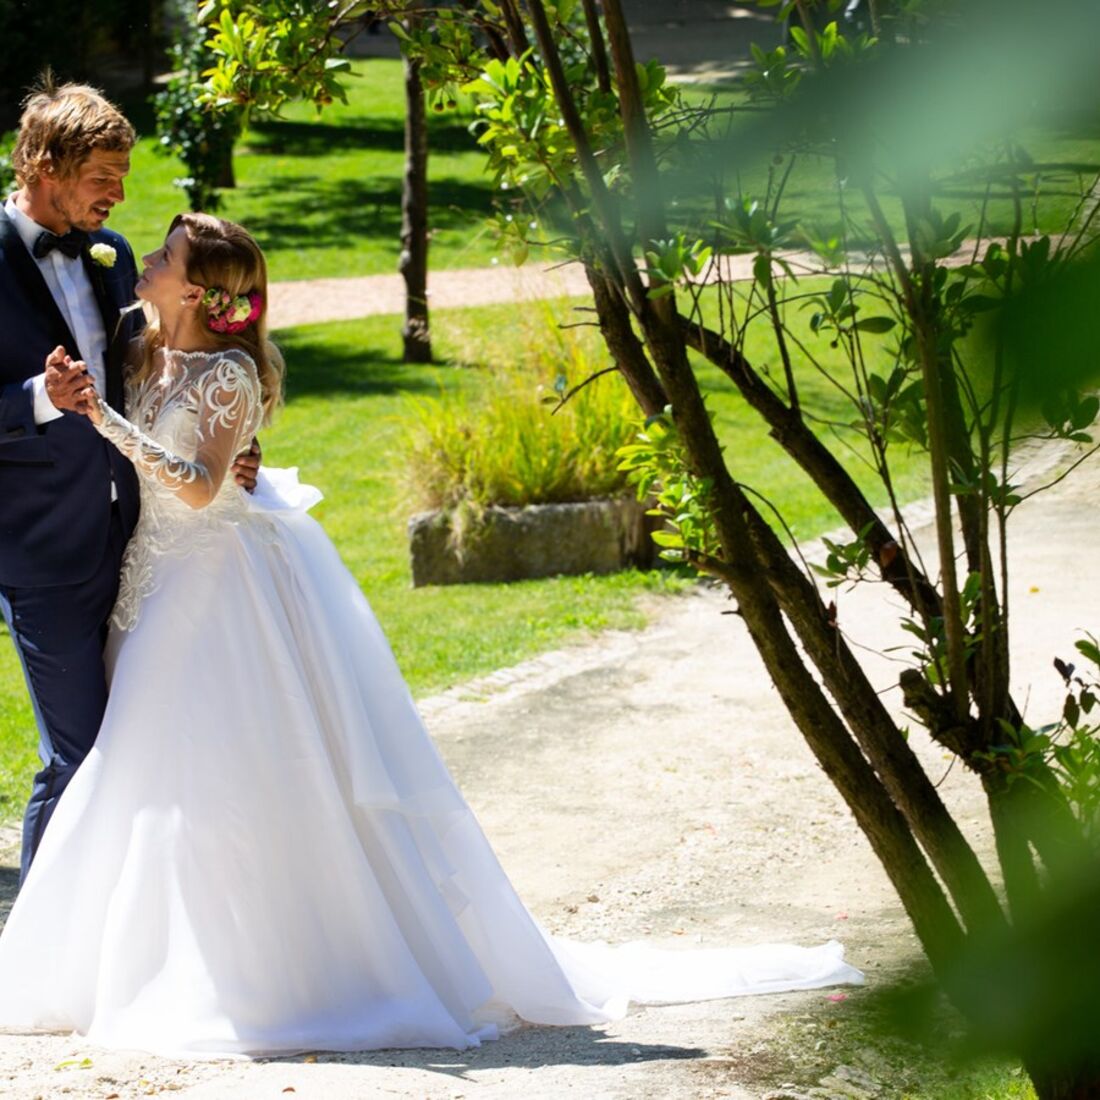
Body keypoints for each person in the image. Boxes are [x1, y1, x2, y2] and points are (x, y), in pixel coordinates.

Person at [0, 213, 861, 1056]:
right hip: (150, 582)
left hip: (217, 590)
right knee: (147, 776)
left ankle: (262, 974)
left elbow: (197, 487)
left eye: (165, 254)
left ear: (197, 287)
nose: (144, 258)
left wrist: (104, 423)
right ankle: (135, 962)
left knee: (218, 769)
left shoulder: (229, 374)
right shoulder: (142, 345)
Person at [0, 79, 259, 883]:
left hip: (142, 547)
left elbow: (170, 377)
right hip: (39, 548)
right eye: (103, 177)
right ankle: (35, 963)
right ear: (45, 164)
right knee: (80, 754)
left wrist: (231, 454)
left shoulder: (110, 261)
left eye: (121, 176)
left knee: (146, 748)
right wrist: (43, 398)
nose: (119, 194)